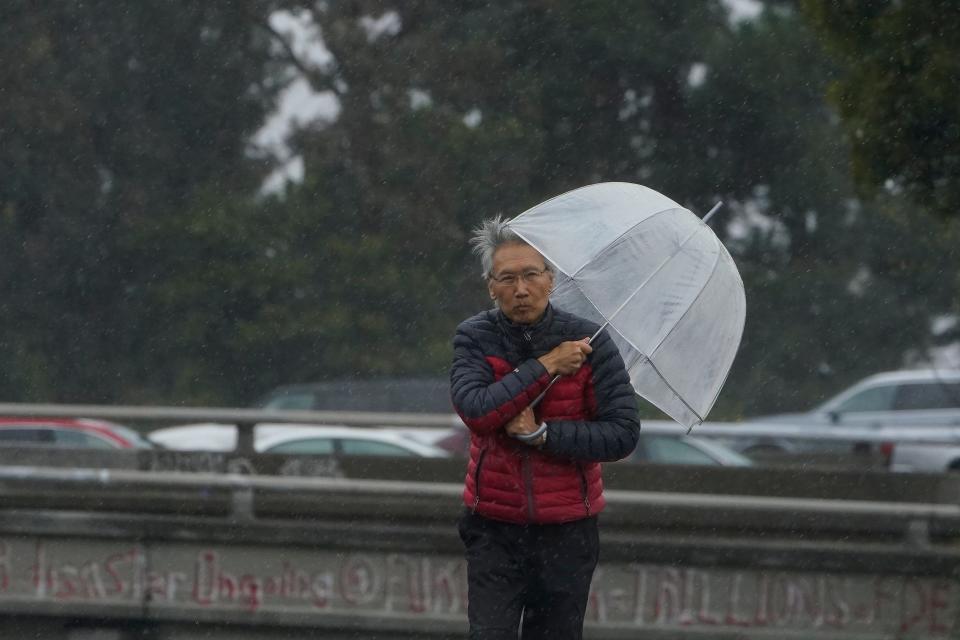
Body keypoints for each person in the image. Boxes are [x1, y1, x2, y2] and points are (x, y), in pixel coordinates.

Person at [450, 216, 640, 639]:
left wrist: (545, 435)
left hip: (568, 530)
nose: (521, 290)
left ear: (551, 280)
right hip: (493, 526)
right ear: (491, 286)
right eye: (508, 278)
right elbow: (477, 411)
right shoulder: (475, 338)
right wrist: (547, 365)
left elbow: (623, 433)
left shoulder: (590, 341)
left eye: (532, 275)